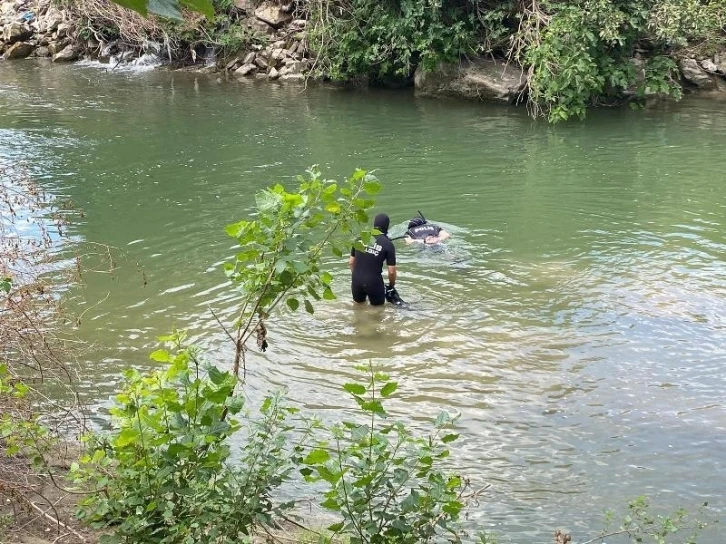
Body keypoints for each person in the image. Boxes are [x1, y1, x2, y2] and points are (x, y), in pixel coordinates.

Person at [349, 213, 397, 306]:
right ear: (387, 227)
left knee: (358, 308)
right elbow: (391, 271)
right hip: (373, 282)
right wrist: (391, 285)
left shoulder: (360, 238)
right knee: (377, 311)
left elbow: (351, 262)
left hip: (356, 280)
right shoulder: (388, 244)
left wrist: (357, 276)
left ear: (374, 225)